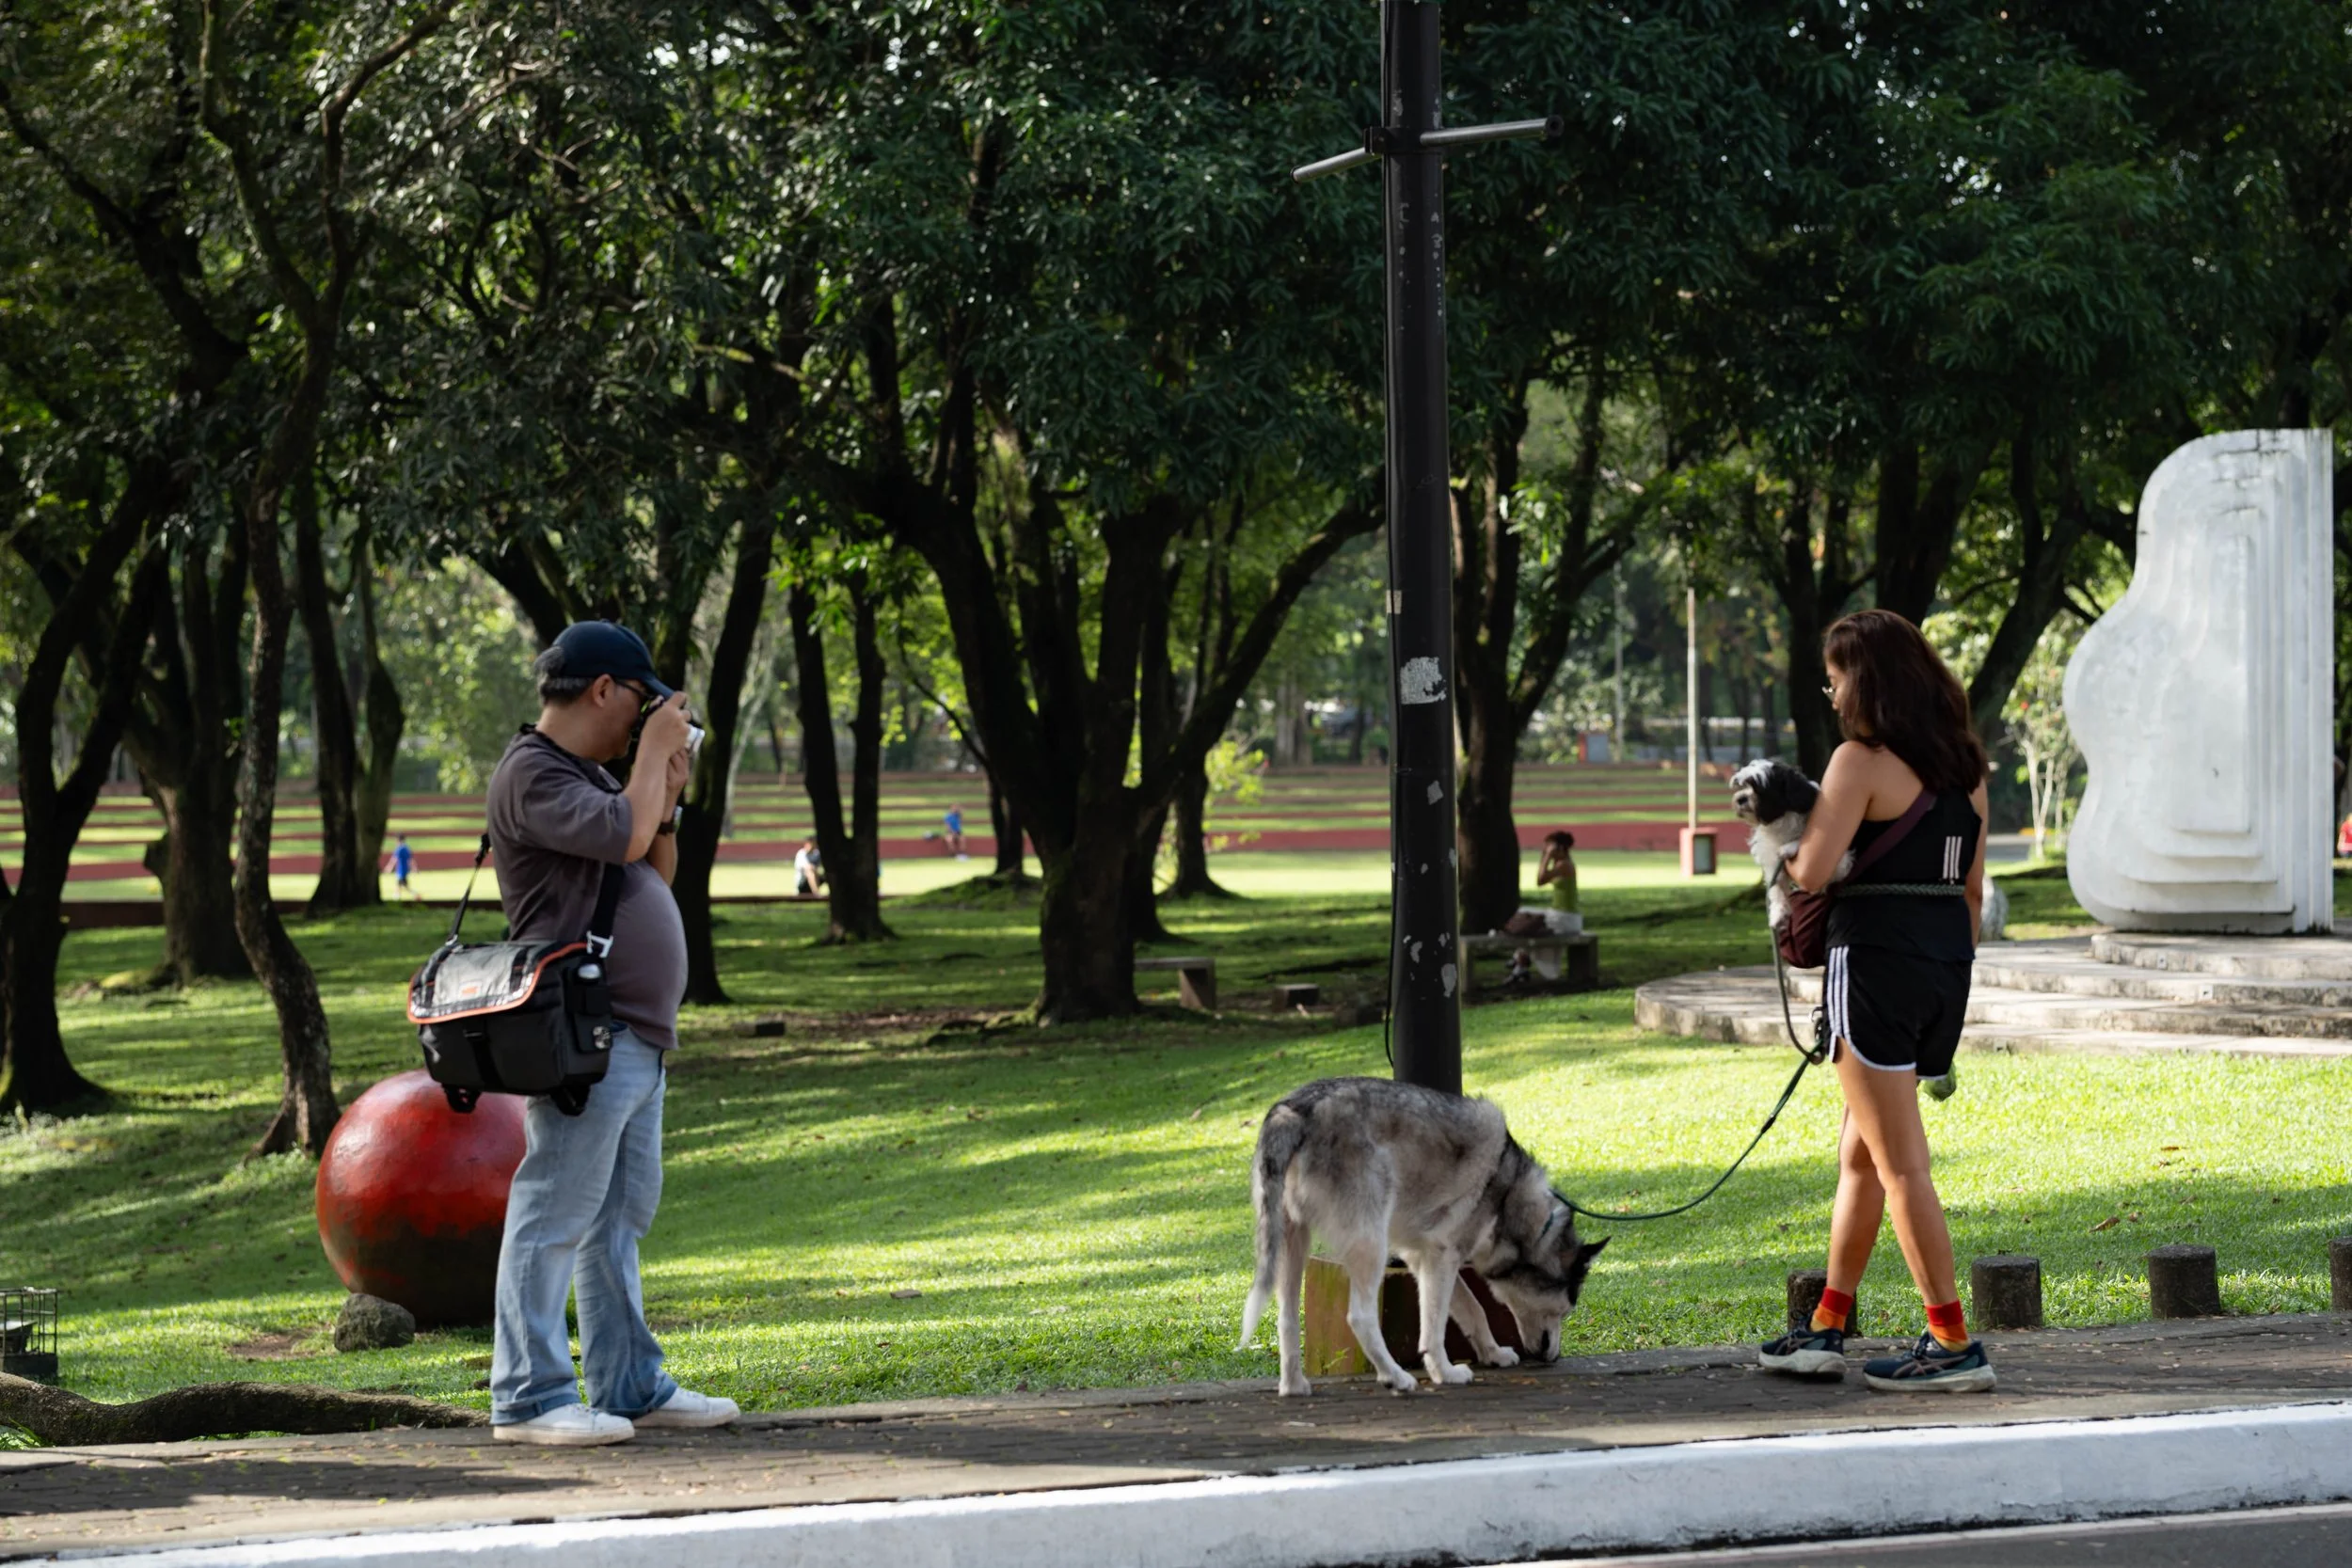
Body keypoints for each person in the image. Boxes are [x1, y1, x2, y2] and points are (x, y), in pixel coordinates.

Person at [485, 621, 740, 1447]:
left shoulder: (588, 775)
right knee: (554, 1206)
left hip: (632, 1033)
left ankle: (627, 1382)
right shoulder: (532, 772)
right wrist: (645, 771)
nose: (643, 714)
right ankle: (527, 1396)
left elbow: (648, 863)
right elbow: (623, 835)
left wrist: (665, 784)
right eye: (640, 700)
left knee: (617, 1217)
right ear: (603, 689)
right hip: (581, 1030)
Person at [1757, 610, 1995, 1392]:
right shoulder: (1968, 770)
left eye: (1836, 676)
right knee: (1859, 1154)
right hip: (1942, 969)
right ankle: (1826, 1327)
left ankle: (1952, 1340)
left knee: (1901, 1166)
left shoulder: (1858, 761)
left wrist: (1779, 832)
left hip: (1874, 969)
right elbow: (1971, 890)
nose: (1830, 692)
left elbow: (1814, 872)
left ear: (1869, 680)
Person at [1535, 830, 1579, 914]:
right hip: (1562, 913)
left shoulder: (1564, 865)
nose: (1545, 849)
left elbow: (1540, 880)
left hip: (1565, 915)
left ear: (1559, 848)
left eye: (1549, 846)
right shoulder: (1561, 864)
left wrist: (1547, 856)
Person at [385, 833, 420, 902]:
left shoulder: (399, 849)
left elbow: (394, 859)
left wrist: (389, 867)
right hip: (405, 869)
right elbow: (410, 859)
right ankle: (414, 895)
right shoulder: (407, 848)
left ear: (398, 840)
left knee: (401, 885)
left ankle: (413, 895)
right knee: (402, 885)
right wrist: (414, 868)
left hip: (401, 870)